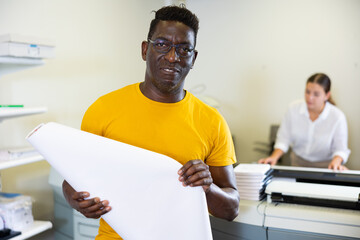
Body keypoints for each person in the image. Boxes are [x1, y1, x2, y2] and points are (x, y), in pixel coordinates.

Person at [62, 5, 240, 239]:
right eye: (162, 44)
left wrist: (208, 186)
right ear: (145, 50)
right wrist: (74, 200)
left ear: (193, 57)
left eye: (184, 49)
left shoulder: (212, 121)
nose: (172, 57)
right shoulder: (103, 109)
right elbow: (73, 178)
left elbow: (230, 209)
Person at [258, 73, 351, 170]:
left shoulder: (337, 117)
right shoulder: (293, 109)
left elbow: (340, 150)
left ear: (327, 95)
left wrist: (336, 161)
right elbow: (283, 139)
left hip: (325, 167)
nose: (310, 97)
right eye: (307, 92)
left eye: (316, 94)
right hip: (298, 165)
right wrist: (274, 157)